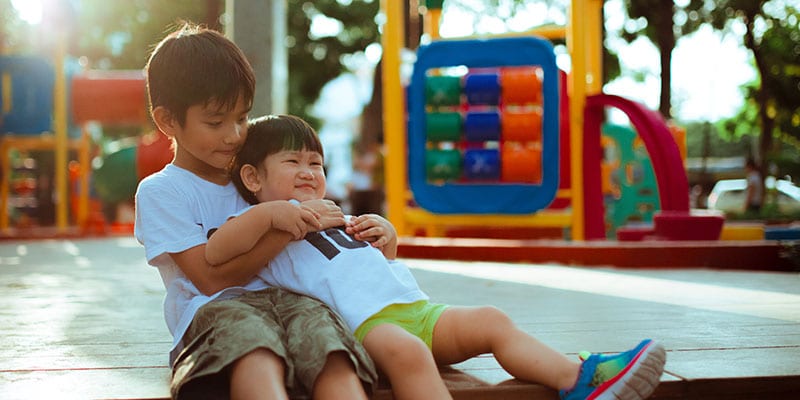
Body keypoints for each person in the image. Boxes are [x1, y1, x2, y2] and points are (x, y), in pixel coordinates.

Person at [206, 114, 667, 400]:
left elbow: (370, 265)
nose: (308, 173)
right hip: (367, 326)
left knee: (490, 318)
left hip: (420, 311)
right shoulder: (264, 224)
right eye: (293, 163)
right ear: (251, 177)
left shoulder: (332, 214)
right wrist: (276, 212)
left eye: (316, 164)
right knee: (408, 354)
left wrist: (385, 238)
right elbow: (218, 249)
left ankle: (579, 379)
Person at [134, 23, 376, 400]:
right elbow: (210, 281)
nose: (234, 135)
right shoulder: (162, 191)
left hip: (292, 300)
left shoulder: (253, 176)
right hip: (217, 313)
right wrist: (287, 224)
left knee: (332, 350)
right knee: (256, 352)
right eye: (215, 122)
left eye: (243, 118)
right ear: (167, 121)